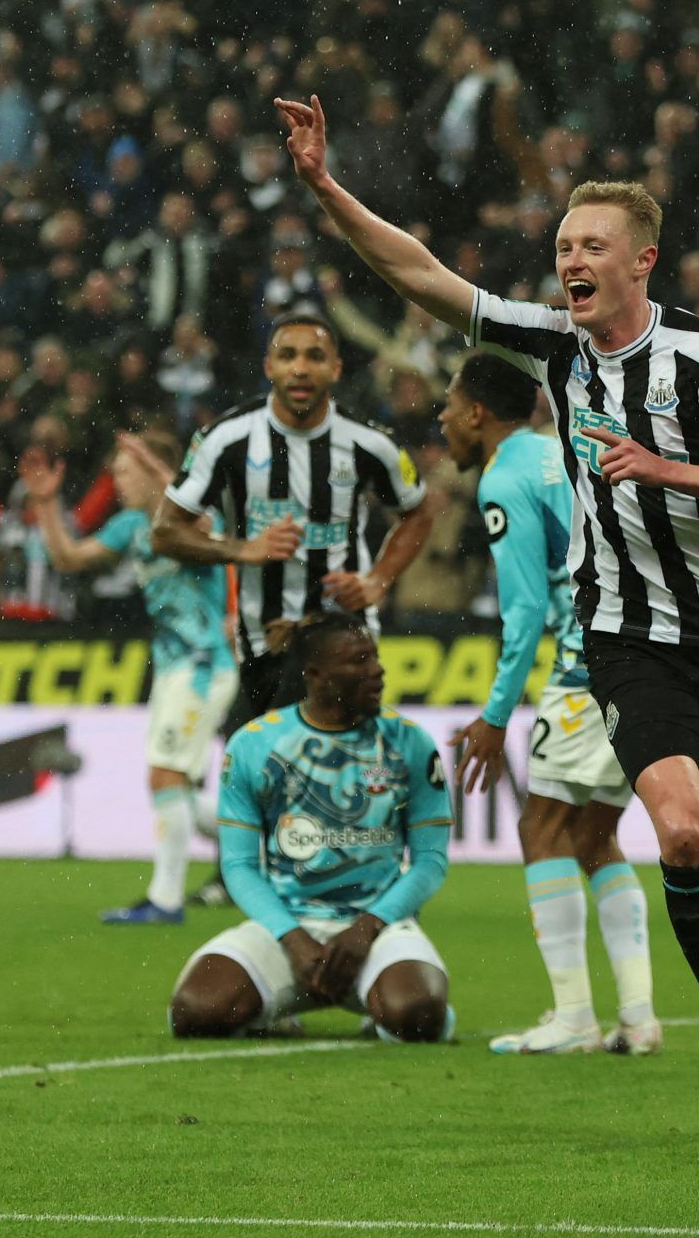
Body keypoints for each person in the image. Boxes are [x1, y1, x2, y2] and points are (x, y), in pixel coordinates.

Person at [278, 93, 699, 1157]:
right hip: (626, 634)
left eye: (592, 246)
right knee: (682, 834)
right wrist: (327, 188)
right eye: (564, 245)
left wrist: (668, 470)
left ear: (642, 261)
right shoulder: (553, 345)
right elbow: (424, 275)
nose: (572, 260)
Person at [150, 311, 436, 905]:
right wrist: (241, 549)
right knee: (261, 771)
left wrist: (378, 580)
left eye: (313, 356)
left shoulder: (368, 442)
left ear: (336, 368)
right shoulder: (228, 439)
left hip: (343, 636)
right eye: (288, 355)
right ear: (269, 367)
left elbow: (418, 511)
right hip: (262, 640)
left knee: (310, 767)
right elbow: (166, 530)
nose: (300, 368)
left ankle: (324, 895)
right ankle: (291, 887)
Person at [438, 353, 660, 1058]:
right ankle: (638, 1016)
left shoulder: (504, 476)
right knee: (594, 836)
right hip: (645, 652)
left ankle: (573, 1017)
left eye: (450, 405)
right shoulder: (565, 447)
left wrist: (495, 714)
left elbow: (527, 608)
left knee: (541, 826)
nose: (442, 418)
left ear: (477, 413)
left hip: (586, 660)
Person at [167, 616, 454, 1044]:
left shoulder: (410, 743)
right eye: (359, 661)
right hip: (285, 926)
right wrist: (292, 937)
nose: (378, 670)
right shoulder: (254, 745)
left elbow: (430, 861)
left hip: (379, 928)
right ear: (316, 675)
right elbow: (239, 866)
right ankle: (276, 1006)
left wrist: (367, 927)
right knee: (195, 1014)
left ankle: (381, 1002)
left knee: (418, 1016)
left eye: (374, 657)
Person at [26, 433, 236, 925]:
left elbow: (210, 533)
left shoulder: (190, 519)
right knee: (169, 785)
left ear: (151, 470)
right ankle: (258, 838)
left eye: (126, 470)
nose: (117, 481)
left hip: (204, 666)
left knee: (167, 778)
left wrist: (164, 475)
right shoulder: (131, 526)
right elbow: (68, 559)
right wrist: (47, 504)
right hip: (171, 668)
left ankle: (165, 901)